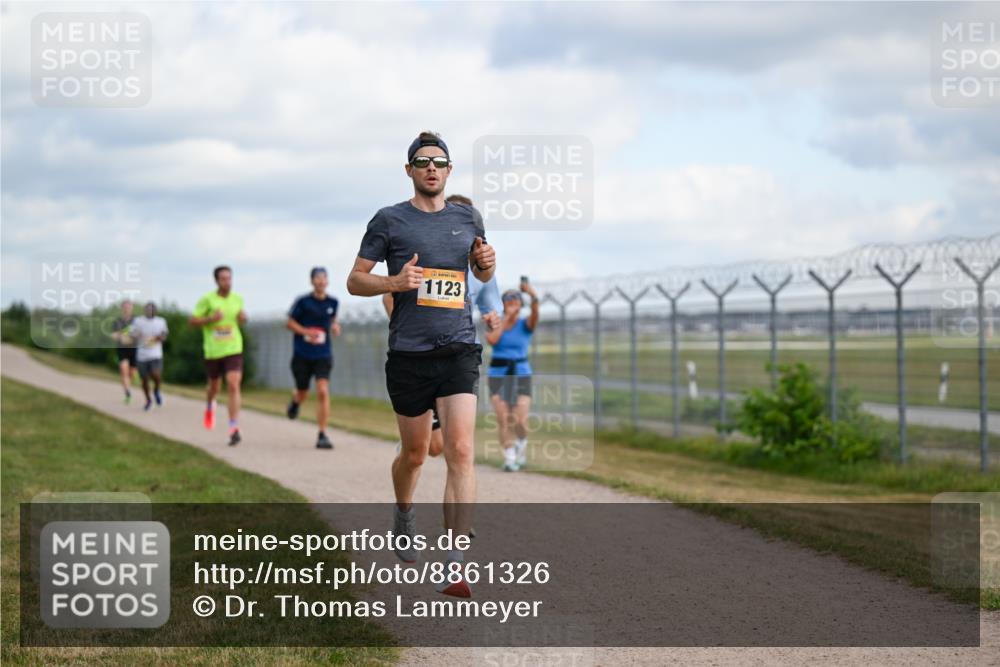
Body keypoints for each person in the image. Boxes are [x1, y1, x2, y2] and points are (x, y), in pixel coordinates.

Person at [347, 131, 496, 598]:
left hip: (459, 349)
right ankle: (404, 511)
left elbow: (481, 271)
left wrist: (487, 262)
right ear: (409, 170)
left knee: (460, 450)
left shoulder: (467, 217)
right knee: (414, 454)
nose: (432, 167)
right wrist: (394, 282)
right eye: (423, 161)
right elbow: (355, 281)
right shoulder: (389, 220)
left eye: (440, 161)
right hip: (410, 356)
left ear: (449, 170)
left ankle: (456, 563)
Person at [380, 193, 502, 460]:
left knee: (459, 448)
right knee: (429, 448)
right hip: (418, 353)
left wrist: (493, 318)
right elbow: (389, 296)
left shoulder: (482, 268)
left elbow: (491, 306)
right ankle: (410, 448)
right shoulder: (427, 255)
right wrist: (407, 326)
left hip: (459, 354)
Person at [190, 266, 248, 446]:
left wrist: (243, 318)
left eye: (229, 278)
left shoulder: (237, 299)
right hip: (213, 350)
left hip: (234, 348)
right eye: (223, 279)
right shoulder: (207, 300)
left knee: (233, 384)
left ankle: (233, 427)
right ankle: (210, 405)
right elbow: (193, 321)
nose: (227, 282)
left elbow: (240, 320)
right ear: (216, 281)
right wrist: (210, 319)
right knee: (214, 387)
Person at [486, 280, 539, 471]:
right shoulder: (495, 322)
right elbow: (492, 340)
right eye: (508, 301)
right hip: (498, 374)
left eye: (515, 301)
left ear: (521, 304)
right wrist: (506, 318)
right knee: (503, 418)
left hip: (521, 373)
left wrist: (532, 294)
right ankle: (509, 457)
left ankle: (521, 444)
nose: (512, 303)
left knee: (519, 419)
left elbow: (536, 313)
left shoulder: (526, 324)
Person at [286, 267, 341, 450]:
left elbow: (332, 320)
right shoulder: (303, 302)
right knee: (302, 392)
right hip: (302, 354)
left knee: (323, 390)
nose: (321, 281)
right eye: (317, 278)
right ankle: (295, 402)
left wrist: (335, 327)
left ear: (327, 281)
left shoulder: (333, 302)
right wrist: (306, 332)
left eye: (324, 278)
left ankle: (322, 434)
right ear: (312, 281)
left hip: (323, 354)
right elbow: (289, 323)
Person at [131, 302, 169, 411]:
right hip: (142, 355)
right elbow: (132, 334)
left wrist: (157, 338)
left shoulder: (161, 321)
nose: (149, 311)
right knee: (144, 380)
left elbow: (164, 335)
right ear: (144, 310)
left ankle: (156, 391)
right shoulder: (138, 321)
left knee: (156, 375)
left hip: (156, 354)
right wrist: (136, 335)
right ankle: (148, 400)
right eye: (147, 309)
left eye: (152, 309)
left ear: (155, 311)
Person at [110, 300, 137, 404]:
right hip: (122, 349)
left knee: (132, 373)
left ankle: (128, 384)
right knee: (124, 369)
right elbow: (113, 335)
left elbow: (140, 333)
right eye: (125, 307)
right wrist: (122, 335)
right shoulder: (117, 322)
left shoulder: (137, 321)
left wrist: (129, 337)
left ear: (132, 308)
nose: (127, 309)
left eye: (129, 307)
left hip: (134, 349)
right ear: (122, 308)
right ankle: (128, 394)